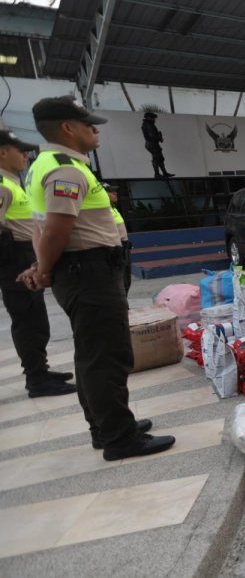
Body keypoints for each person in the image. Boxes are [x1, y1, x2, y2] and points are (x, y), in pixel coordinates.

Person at [25, 96, 173, 460]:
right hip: (87, 271)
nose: (95, 130)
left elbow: (45, 227)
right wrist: (43, 269)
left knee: (93, 354)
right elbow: (57, 230)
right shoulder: (65, 169)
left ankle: (107, 427)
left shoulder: (48, 164)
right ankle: (119, 438)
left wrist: (43, 266)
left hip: (83, 271)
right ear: (67, 128)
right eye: (88, 124)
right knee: (107, 356)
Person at [0, 128, 76, 398]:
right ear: (2, 152)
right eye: (19, 150)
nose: (25, 155)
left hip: (23, 255)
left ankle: (40, 370)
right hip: (13, 259)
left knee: (37, 319)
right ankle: (36, 379)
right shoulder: (2, 184)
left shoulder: (13, 181)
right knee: (27, 321)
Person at [101, 183, 131, 295]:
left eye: (115, 192)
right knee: (120, 282)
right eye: (111, 192)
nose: (115, 194)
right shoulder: (103, 209)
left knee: (126, 281)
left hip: (124, 247)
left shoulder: (113, 208)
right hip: (115, 248)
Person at [139, 111, 173, 179]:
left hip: (151, 144)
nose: (154, 119)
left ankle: (163, 173)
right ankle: (157, 174)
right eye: (153, 118)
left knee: (159, 158)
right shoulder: (149, 125)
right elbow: (152, 135)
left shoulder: (147, 124)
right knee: (157, 159)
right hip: (152, 144)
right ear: (149, 118)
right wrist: (159, 137)